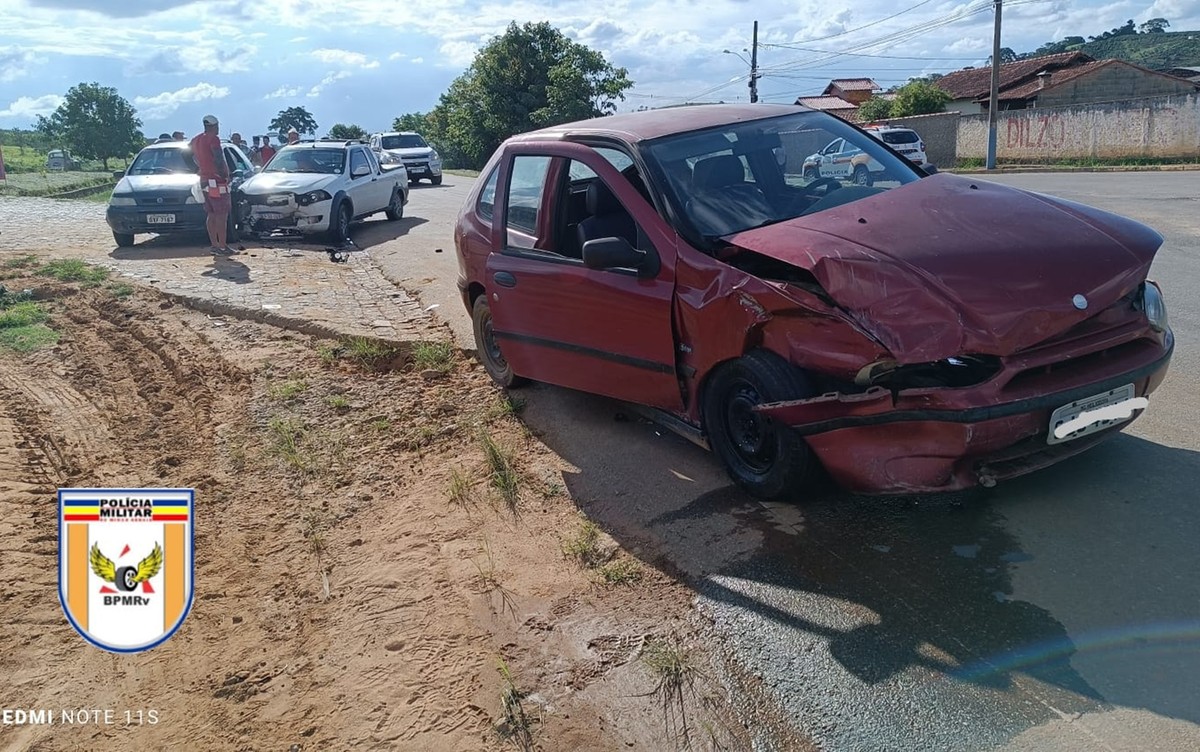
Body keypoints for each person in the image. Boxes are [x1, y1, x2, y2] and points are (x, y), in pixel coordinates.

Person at [189, 114, 234, 255]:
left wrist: (198, 168)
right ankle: (222, 246)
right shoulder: (213, 139)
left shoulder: (196, 140)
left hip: (204, 180)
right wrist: (224, 175)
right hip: (216, 181)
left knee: (211, 213)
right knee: (222, 213)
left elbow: (187, 155)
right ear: (213, 126)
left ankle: (214, 245)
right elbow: (218, 158)